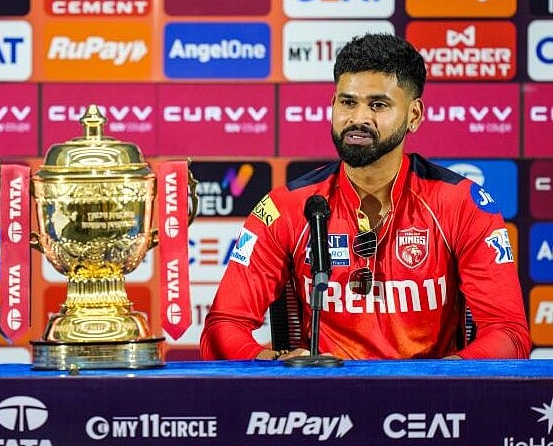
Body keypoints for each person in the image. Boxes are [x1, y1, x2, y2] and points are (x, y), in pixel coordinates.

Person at [200, 33, 531, 360]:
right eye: (347, 102)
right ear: (332, 105)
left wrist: (441, 380)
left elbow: (508, 333)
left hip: (429, 407)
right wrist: (274, 364)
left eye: (378, 104)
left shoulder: (462, 204)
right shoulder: (285, 207)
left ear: (414, 115)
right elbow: (223, 326)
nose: (358, 118)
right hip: (322, 406)